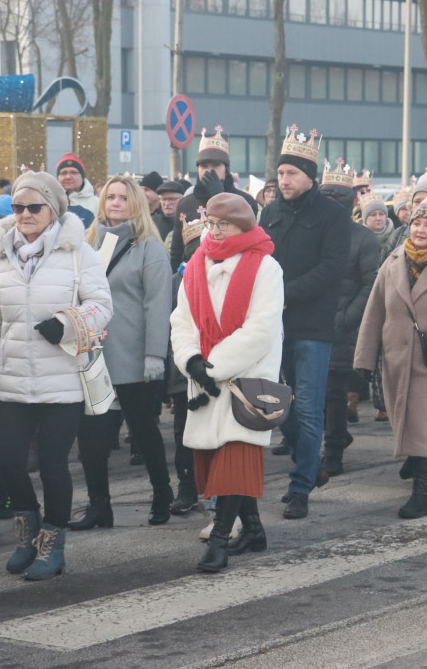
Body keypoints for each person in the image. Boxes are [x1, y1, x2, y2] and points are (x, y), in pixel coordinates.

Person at [0, 171, 111, 580]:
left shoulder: (79, 253)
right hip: (13, 379)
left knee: (52, 465)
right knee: (8, 461)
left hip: (63, 380)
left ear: (54, 209)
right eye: (18, 207)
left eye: (34, 207)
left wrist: (66, 323)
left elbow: (102, 306)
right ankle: (26, 532)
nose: (25, 215)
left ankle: (52, 543)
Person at [169, 192, 283, 572]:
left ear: (243, 226)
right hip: (205, 379)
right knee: (218, 458)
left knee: (236, 456)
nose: (215, 231)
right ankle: (252, 529)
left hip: (246, 378)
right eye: (212, 223)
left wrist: (212, 366)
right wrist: (192, 361)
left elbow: (261, 329)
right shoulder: (197, 262)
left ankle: (219, 539)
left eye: (224, 225)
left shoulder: (266, 267)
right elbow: (182, 321)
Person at [355, 197, 427, 518]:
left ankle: (423, 490)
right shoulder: (393, 259)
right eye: (417, 223)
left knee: (426, 422)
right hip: (396, 355)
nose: (421, 229)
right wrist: (363, 361)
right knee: (407, 419)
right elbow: (374, 311)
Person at [70, 175, 173, 528]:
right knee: (91, 436)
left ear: (136, 204)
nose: (114, 203)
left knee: (143, 431)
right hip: (93, 354)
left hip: (133, 356)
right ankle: (100, 506)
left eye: (122, 197)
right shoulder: (86, 243)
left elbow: (157, 306)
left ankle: (163, 494)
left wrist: (155, 356)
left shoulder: (151, 249)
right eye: (109, 197)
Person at [260, 125, 350, 519]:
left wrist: (283, 294)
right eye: (280, 174)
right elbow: (258, 259)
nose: (284, 180)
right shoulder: (270, 211)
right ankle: (310, 466)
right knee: (278, 406)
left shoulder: (332, 214)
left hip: (312, 326)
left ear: (310, 177)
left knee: (310, 409)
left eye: (291, 174)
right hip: (272, 326)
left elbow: (331, 269)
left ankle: (300, 487)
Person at [320, 188, 380, 477]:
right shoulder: (313, 232)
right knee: (311, 391)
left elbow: (371, 284)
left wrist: (345, 317)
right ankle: (337, 436)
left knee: (334, 391)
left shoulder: (364, 238)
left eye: (336, 200)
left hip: (345, 325)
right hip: (313, 322)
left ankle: (333, 451)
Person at [170, 127, 258, 271]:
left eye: (216, 165)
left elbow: (249, 242)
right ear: (198, 169)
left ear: (226, 169)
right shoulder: (185, 204)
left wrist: (218, 195)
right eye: (204, 166)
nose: (210, 171)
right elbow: (176, 252)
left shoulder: (245, 201)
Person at [55, 153, 96, 227]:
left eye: (73, 172)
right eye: (63, 173)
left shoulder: (97, 204)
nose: (68, 177)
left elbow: (111, 230)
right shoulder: (49, 203)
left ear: (82, 176)